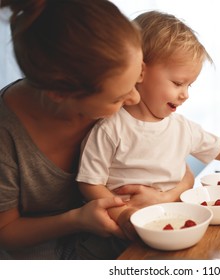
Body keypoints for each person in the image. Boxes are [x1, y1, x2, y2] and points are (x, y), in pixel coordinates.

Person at [0, 0, 194, 260]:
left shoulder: (114, 104)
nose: (135, 100)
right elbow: (6, 232)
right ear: (61, 95)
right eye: (118, 98)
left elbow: (179, 164)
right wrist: (78, 219)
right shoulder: (6, 136)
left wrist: (164, 196)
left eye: (136, 80)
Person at [77, 11, 220, 228]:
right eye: (178, 83)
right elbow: (89, 183)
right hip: (121, 229)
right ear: (139, 71)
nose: (185, 94)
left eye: (189, 85)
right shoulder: (110, 128)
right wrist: (122, 213)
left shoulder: (182, 127)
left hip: (173, 222)